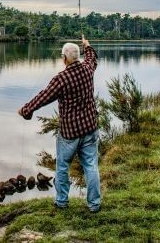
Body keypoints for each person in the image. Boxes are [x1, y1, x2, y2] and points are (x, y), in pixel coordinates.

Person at [18, 35, 100, 213]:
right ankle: (94, 204)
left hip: (70, 133)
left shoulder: (61, 79)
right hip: (90, 128)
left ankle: (62, 202)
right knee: (91, 166)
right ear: (77, 57)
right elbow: (92, 59)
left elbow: (43, 97)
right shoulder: (87, 69)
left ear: (64, 58)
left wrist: (26, 110)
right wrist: (87, 46)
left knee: (63, 167)